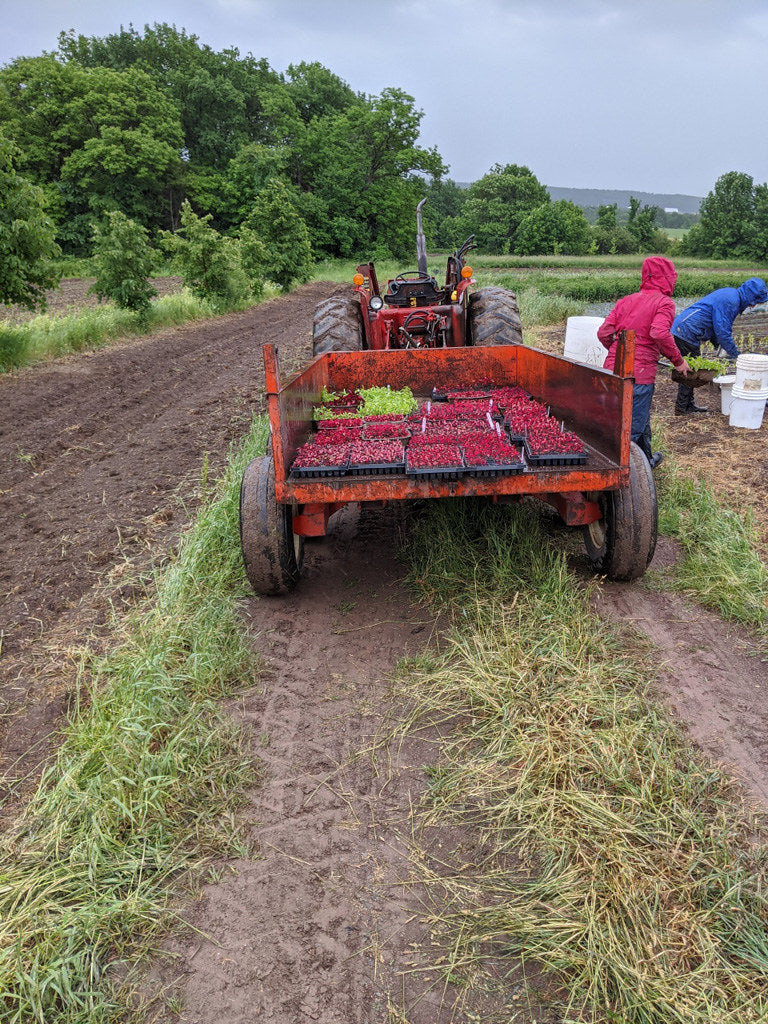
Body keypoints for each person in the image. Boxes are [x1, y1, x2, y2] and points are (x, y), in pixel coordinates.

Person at [597, 255, 690, 470]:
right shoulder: (664, 303)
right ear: (667, 278)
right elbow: (658, 332)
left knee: (616, 416)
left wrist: (614, 352)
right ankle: (623, 474)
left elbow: (604, 332)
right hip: (638, 375)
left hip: (610, 372)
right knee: (631, 428)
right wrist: (678, 361)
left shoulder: (626, 301)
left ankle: (646, 460)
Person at [671, 277, 768, 415]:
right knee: (690, 371)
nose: (753, 306)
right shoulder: (731, 301)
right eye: (754, 302)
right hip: (687, 331)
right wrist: (735, 355)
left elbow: (716, 325)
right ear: (751, 297)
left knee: (691, 368)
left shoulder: (732, 297)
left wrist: (717, 344)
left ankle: (687, 405)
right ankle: (682, 408)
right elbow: (723, 331)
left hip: (687, 330)